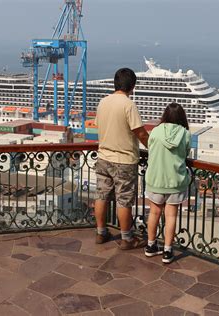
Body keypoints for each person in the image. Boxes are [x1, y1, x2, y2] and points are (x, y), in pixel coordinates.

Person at [94, 68, 149, 250]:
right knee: (124, 200)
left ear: (115, 83)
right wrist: (153, 147)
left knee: (101, 196)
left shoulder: (103, 102)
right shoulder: (128, 104)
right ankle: (127, 238)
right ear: (132, 86)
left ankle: (101, 233)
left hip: (103, 157)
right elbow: (140, 132)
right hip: (124, 159)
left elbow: (99, 125)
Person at [144, 103, 191, 264]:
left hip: (155, 179)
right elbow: (186, 154)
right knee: (171, 215)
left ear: (165, 115)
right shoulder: (185, 134)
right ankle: (167, 250)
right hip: (175, 180)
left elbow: (150, 148)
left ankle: (150, 246)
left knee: (154, 213)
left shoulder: (155, 131)